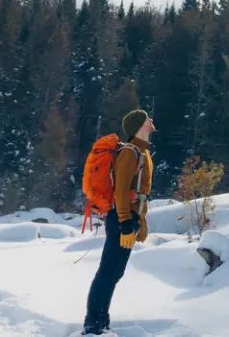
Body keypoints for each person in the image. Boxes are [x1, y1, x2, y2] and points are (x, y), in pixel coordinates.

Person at [83, 110, 154, 335]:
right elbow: (121, 191)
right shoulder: (130, 153)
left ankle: (101, 322)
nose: (151, 120)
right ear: (139, 125)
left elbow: (138, 192)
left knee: (114, 273)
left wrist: (139, 220)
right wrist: (125, 222)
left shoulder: (142, 152)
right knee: (107, 272)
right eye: (147, 118)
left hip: (128, 219)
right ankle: (93, 324)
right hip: (120, 219)